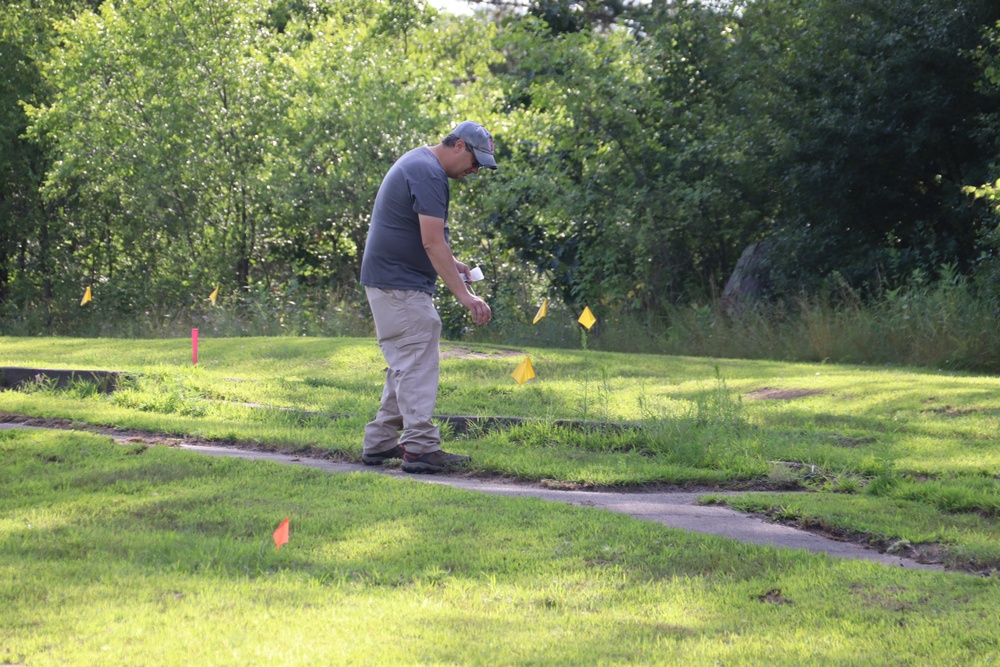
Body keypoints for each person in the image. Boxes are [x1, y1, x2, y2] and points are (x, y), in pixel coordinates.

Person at [358, 121, 496, 473]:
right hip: (398, 283)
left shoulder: (420, 163)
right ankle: (419, 448)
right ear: (460, 146)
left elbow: (431, 242)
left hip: (392, 280)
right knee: (417, 357)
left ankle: (380, 442)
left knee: (408, 361)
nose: (475, 171)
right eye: (475, 161)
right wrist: (466, 296)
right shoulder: (429, 173)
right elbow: (432, 242)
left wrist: (454, 265)